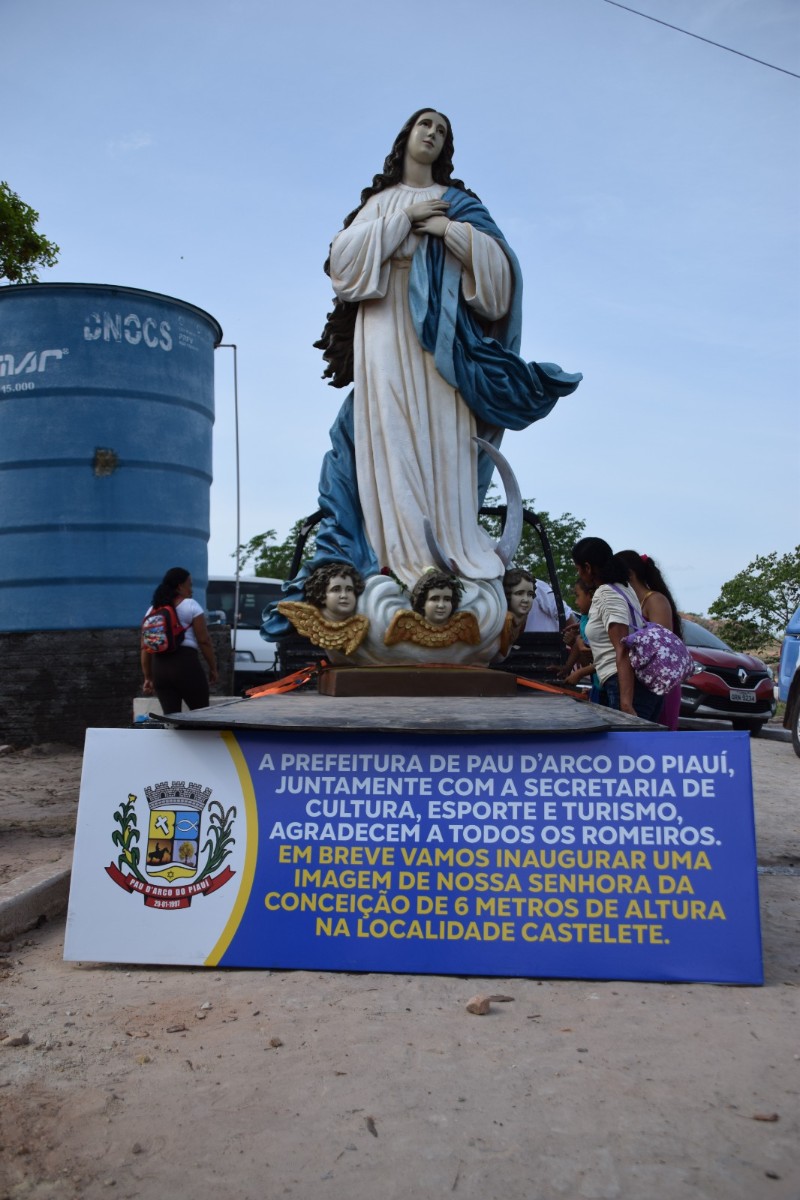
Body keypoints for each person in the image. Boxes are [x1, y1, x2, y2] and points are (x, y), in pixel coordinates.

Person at [265, 107, 581, 636]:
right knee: (389, 436)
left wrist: (450, 231)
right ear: (405, 136)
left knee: (443, 441)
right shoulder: (378, 205)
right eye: (424, 125)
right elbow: (343, 265)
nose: (432, 134)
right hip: (385, 332)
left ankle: (447, 558)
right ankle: (392, 560)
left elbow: (502, 276)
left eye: (442, 130)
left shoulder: (461, 206)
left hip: (442, 342)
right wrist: (404, 221)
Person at [571, 538, 663, 722]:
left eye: (578, 568)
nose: (579, 574)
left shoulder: (606, 594)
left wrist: (626, 704)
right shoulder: (623, 588)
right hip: (632, 682)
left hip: (624, 684)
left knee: (630, 746)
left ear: (588, 568)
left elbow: (622, 648)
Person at [616, 549, 684, 730]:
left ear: (629, 575)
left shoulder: (655, 600)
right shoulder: (632, 603)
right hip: (641, 684)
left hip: (659, 685)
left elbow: (661, 647)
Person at [141, 568, 218, 713]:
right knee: (201, 716)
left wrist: (148, 677)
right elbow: (204, 640)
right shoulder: (191, 605)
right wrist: (213, 667)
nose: (192, 590)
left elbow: (145, 647)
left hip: (159, 670)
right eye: (189, 585)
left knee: (171, 721)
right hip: (185, 665)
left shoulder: (152, 610)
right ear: (179, 586)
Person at [277, 562, 368, 656]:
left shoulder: (360, 622)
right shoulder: (311, 616)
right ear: (322, 594)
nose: (344, 595)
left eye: (349, 589)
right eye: (336, 589)